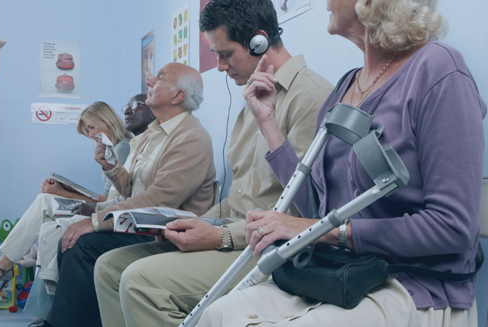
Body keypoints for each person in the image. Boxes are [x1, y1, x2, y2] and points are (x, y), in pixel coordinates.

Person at [198, 0, 486, 326]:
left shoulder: (439, 70)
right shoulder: (346, 88)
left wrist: (324, 232)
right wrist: (268, 123)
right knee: (218, 314)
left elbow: (453, 228)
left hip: (414, 284)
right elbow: (317, 207)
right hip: (338, 272)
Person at [93, 0, 332, 326]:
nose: (219, 67)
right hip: (233, 233)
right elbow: (237, 201)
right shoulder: (253, 100)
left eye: (225, 54)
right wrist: (185, 224)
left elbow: (306, 211)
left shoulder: (311, 98)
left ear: (259, 41)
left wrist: (220, 237)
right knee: (108, 267)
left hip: (270, 248)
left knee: (139, 280)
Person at [43, 62, 217, 327]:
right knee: (68, 240)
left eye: (159, 78)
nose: (149, 82)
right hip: (141, 222)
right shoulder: (152, 133)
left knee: (80, 245)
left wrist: (93, 222)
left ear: (178, 96)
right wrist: (112, 167)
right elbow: (133, 189)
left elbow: (157, 201)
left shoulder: (191, 137)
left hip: (166, 233)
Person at [0, 100, 142, 285]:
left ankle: (2, 266)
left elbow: (106, 200)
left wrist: (63, 192)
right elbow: (106, 195)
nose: (90, 134)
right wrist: (64, 190)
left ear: (107, 121)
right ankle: (6, 266)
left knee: (44, 201)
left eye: (92, 127)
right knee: (46, 202)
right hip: (104, 207)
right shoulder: (114, 147)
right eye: (87, 130)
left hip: (108, 212)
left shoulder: (121, 148)